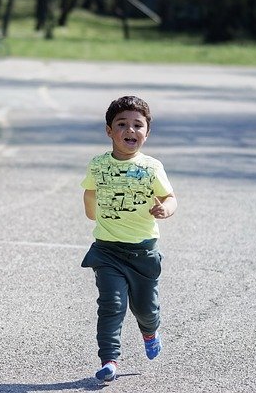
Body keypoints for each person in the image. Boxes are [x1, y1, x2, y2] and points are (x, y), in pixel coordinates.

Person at [80, 95, 177, 382]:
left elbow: (170, 197)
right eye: (121, 124)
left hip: (143, 253)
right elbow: (89, 191)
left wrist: (166, 209)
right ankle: (109, 360)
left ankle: (150, 331)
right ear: (109, 130)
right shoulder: (98, 165)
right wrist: (91, 212)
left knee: (145, 309)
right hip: (107, 250)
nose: (129, 130)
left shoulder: (152, 167)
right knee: (112, 304)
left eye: (137, 125)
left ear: (147, 132)